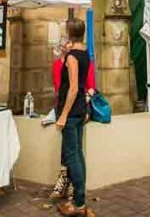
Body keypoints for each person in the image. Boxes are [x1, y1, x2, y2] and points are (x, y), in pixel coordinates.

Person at [50, 37, 97, 201]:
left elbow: (86, 86)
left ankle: (75, 190)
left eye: (68, 42)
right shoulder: (58, 65)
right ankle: (67, 181)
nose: (66, 45)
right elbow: (59, 87)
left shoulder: (80, 59)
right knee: (70, 149)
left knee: (73, 150)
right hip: (64, 106)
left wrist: (83, 101)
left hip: (76, 107)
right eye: (63, 43)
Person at [56, 18, 92, 217]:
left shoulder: (72, 57)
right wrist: (64, 56)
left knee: (72, 156)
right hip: (80, 110)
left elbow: (72, 88)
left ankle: (78, 204)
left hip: (71, 111)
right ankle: (79, 201)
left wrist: (62, 116)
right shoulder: (83, 54)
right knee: (78, 153)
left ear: (70, 33)